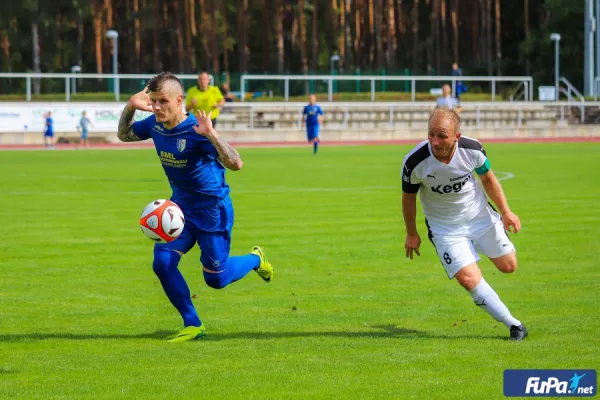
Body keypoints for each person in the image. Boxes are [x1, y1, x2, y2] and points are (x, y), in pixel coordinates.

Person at [117, 71, 274, 343]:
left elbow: (236, 163)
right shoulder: (154, 125)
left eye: (162, 101)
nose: (156, 107)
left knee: (217, 279)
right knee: (162, 263)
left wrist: (211, 134)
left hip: (213, 210)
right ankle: (193, 323)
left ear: (179, 100)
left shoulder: (196, 131)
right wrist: (130, 107)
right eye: (152, 101)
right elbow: (124, 135)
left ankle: (255, 259)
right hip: (179, 208)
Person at [401, 107, 527, 341]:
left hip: (480, 216)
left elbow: (488, 178)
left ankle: (479, 245)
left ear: (456, 137)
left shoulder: (473, 150)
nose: (435, 142)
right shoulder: (415, 162)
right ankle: (514, 325)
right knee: (468, 279)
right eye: (431, 134)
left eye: (441, 135)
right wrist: (411, 233)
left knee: (509, 266)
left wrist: (506, 212)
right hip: (445, 228)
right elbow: (408, 198)